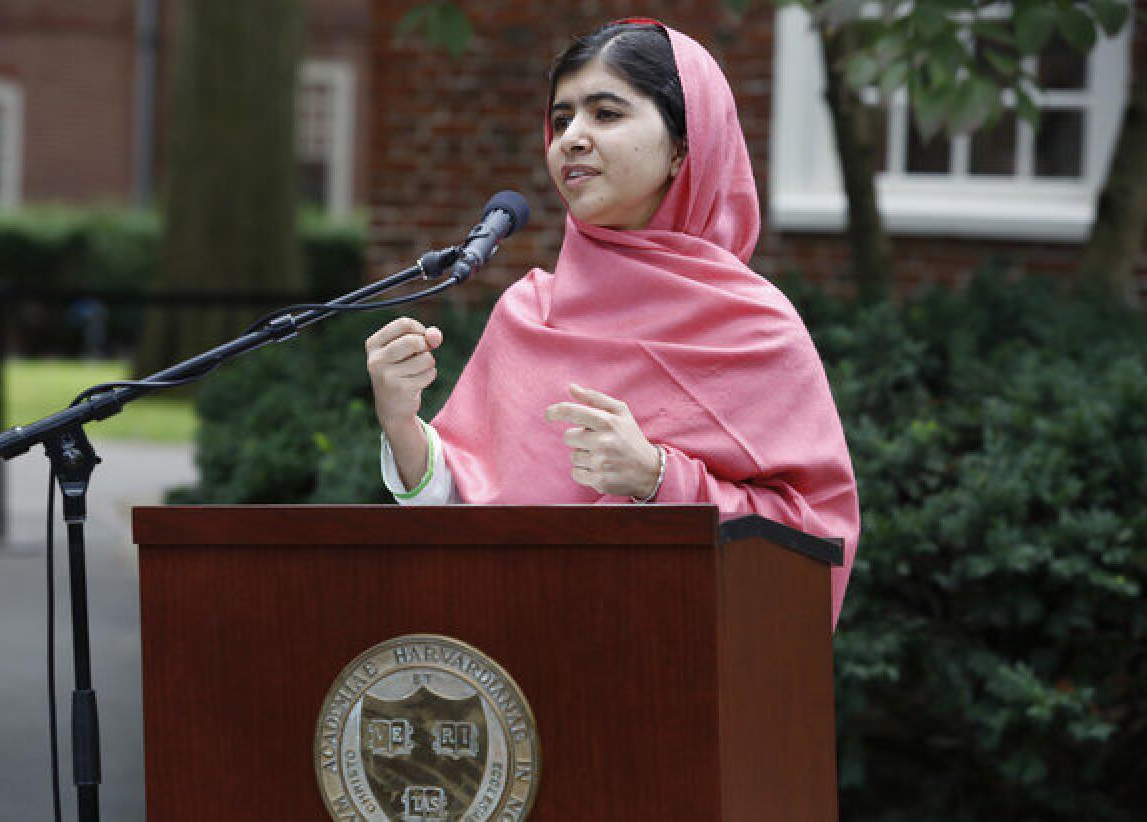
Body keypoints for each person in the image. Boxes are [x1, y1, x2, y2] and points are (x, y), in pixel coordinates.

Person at [364, 19, 859, 626]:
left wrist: (658, 478)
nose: (572, 137)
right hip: (518, 667)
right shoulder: (530, 313)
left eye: (606, 113)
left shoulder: (757, 330)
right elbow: (465, 507)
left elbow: (813, 543)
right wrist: (400, 423)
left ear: (683, 146)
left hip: (674, 675)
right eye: (563, 117)